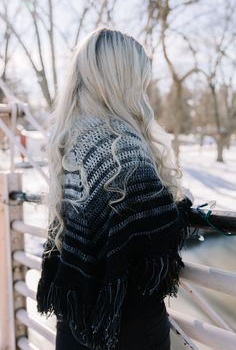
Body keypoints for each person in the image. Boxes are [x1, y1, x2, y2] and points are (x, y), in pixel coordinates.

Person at [36, 27, 194, 350]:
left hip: (77, 327)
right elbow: (154, 236)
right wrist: (183, 211)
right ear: (122, 81)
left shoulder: (72, 139)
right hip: (128, 331)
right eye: (140, 80)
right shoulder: (121, 148)